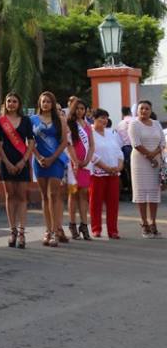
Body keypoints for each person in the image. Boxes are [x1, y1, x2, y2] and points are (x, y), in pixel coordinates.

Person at [0, 92, 35, 249]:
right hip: (7, 162)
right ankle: (12, 231)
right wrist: (6, 162)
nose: (11, 103)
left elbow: (31, 142)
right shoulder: (1, 121)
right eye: (9, 101)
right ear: (5, 103)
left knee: (22, 197)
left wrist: (23, 161)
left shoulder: (26, 121)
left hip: (21, 162)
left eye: (15, 101)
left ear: (19, 104)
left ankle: (22, 231)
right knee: (10, 196)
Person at [30, 91, 70, 247]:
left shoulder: (60, 119)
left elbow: (64, 142)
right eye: (42, 101)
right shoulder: (32, 120)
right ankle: (47, 230)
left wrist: (52, 158)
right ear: (39, 103)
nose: (45, 103)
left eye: (48, 101)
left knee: (53, 195)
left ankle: (55, 231)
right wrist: (39, 157)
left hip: (56, 160)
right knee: (44, 196)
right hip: (39, 161)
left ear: (53, 103)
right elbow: (30, 141)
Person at [128, 100, 164, 238]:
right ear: (137, 110)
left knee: (154, 193)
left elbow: (162, 141)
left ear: (151, 110)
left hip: (156, 161)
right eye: (141, 108)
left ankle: (153, 223)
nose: (144, 111)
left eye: (146, 108)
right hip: (140, 162)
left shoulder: (156, 124)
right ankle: (144, 224)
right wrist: (150, 157)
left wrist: (154, 156)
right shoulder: (134, 124)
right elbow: (135, 143)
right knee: (141, 193)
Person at [88, 109, 123, 239]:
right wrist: (106, 167)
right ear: (94, 119)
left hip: (114, 173)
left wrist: (118, 167)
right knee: (95, 202)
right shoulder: (90, 133)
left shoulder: (111, 133)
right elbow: (91, 154)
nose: (104, 120)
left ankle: (113, 230)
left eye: (106, 118)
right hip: (97, 173)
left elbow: (119, 152)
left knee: (113, 203)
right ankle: (96, 229)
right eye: (101, 118)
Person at [66, 98, 95, 241]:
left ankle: (84, 225)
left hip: (85, 164)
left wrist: (87, 160)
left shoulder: (88, 125)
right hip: (73, 165)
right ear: (73, 109)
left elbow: (92, 145)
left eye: (82, 108)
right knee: (73, 193)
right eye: (77, 108)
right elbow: (68, 145)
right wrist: (75, 162)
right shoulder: (69, 124)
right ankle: (72, 224)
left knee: (84, 194)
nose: (80, 111)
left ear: (86, 110)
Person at [116, 106, 134, 198]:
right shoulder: (135, 121)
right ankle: (135, 192)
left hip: (125, 148)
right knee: (135, 171)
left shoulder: (120, 124)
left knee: (127, 171)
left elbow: (118, 139)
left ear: (122, 113)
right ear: (130, 112)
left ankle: (129, 190)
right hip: (136, 147)